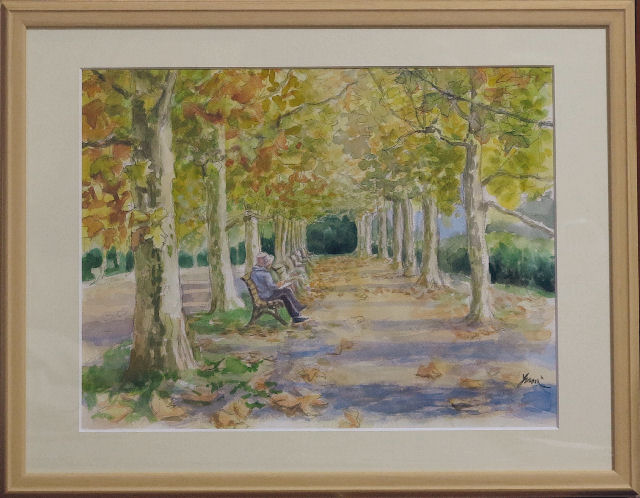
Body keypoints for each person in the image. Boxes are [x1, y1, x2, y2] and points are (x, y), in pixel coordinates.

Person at [250, 252, 308, 323]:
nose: (270, 264)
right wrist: (279, 285)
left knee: (286, 290)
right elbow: (272, 287)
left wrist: (277, 285)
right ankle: (296, 316)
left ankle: (297, 309)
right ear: (266, 264)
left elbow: (265, 286)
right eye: (269, 263)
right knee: (285, 294)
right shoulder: (265, 274)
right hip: (267, 296)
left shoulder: (254, 272)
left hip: (262, 294)